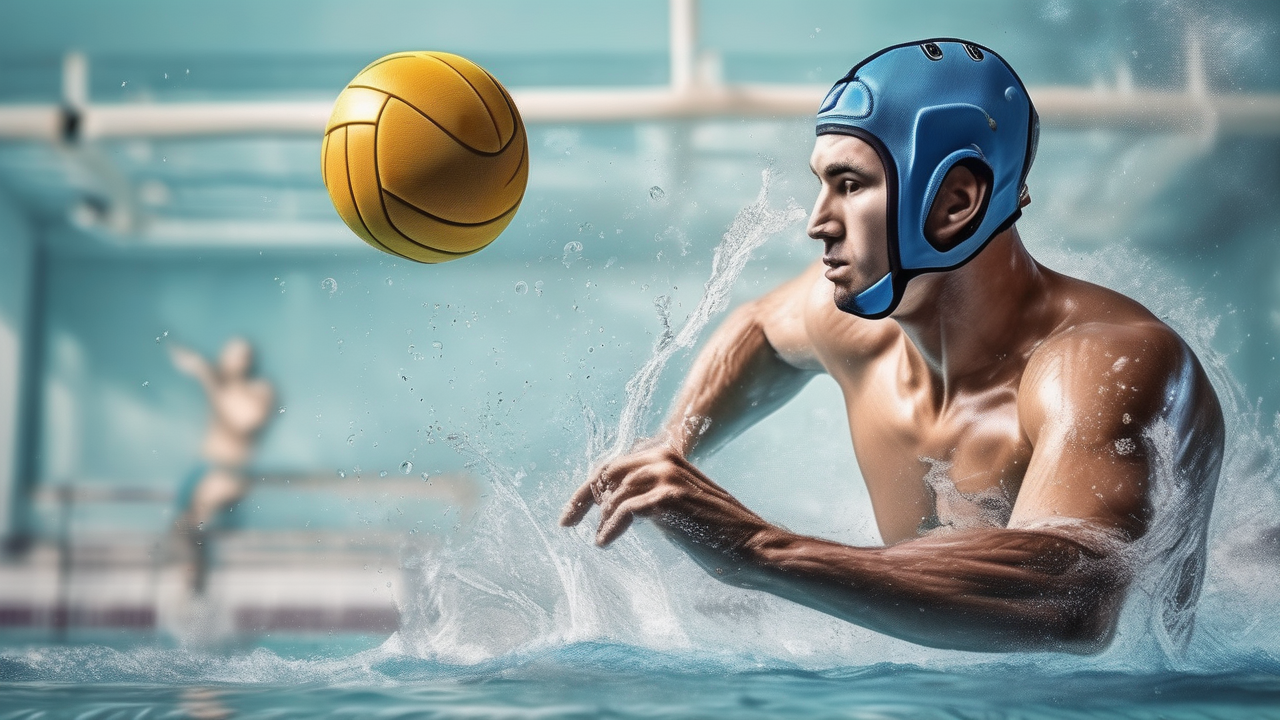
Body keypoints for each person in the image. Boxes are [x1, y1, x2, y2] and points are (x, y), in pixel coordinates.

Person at [561, 40, 1224, 654]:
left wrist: (759, 550)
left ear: (954, 200)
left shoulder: (1102, 366)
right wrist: (675, 446)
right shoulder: (850, 323)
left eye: (850, 185)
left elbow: (1074, 604)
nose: (817, 221)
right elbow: (761, 328)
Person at [170, 337, 274, 593]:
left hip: (231, 473)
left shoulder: (260, 390)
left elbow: (243, 422)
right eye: (230, 353)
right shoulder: (223, 387)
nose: (236, 360)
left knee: (198, 517)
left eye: (242, 355)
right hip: (202, 469)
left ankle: (198, 586)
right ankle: (190, 586)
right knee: (183, 529)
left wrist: (206, 375)